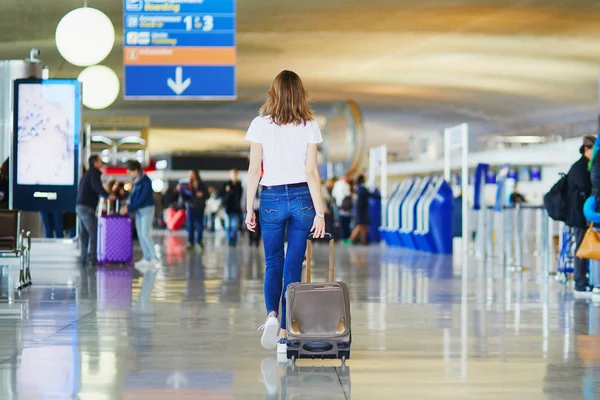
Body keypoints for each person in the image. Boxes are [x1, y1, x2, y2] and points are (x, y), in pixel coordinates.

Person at [244, 70, 326, 353]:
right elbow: (312, 172)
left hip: (271, 198)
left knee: (273, 264)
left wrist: (248, 208)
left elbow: (254, 170)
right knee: (294, 266)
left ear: (274, 93)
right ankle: (284, 331)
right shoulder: (309, 125)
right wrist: (320, 213)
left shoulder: (260, 125)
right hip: (303, 196)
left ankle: (271, 315)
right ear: (301, 93)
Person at [566, 135, 595, 297]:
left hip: (584, 215)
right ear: (586, 149)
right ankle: (580, 282)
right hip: (579, 216)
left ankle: (585, 280)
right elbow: (586, 187)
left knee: (585, 247)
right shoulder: (579, 167)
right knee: (581, 249)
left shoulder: (587, 166)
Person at [76, 155, 114, 265]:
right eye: (100, 160)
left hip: (80, 206)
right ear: (95, 163)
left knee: (84, 233)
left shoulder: (87, 174)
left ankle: (84, 257)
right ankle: (91, 258)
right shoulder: (94, 173)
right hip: (87, 207)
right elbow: (96, 186)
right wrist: (107, 195)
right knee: (94, 232)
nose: (102, 162)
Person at [121, 160, 158, 267]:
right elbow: (134, 197)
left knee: (145, 234)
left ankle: (153, 257)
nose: (129, 174)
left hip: (146, 209)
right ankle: (146, 257)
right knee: (141, 235)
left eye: (130, 171)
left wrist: (129, 208)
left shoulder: (146, 181)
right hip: (138, 211)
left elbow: (142, 199)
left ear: (136, 170)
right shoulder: (136, 181)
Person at [178, 170, 207, 250]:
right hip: (191, 207)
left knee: (200, 226)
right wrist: (180, 190)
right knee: (190, 226)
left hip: (200, 207)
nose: (191, 176)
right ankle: (191, 242)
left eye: (192, 174)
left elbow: (206, 195)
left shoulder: (201, 184)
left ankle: (199, 241)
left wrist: (202, 194)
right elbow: (184, 197)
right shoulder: (187, 185)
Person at [349, 175, 380, 245]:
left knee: (364, 225)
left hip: (362, 209)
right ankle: (351, 239)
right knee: (360, 225)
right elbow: (369, 194)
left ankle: (363, 240)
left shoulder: (358, 187)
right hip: (361, 209)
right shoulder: (361, 187)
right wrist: (380, 197)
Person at [222, 169, 243, 246]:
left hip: (235, 209)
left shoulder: (239, 185)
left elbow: (239, 197)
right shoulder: (226, 185)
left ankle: (233, 240)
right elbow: (223, 197)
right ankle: (229, 240)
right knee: (227, 226)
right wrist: (228, 192)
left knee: (234, 226)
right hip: (227, 208)